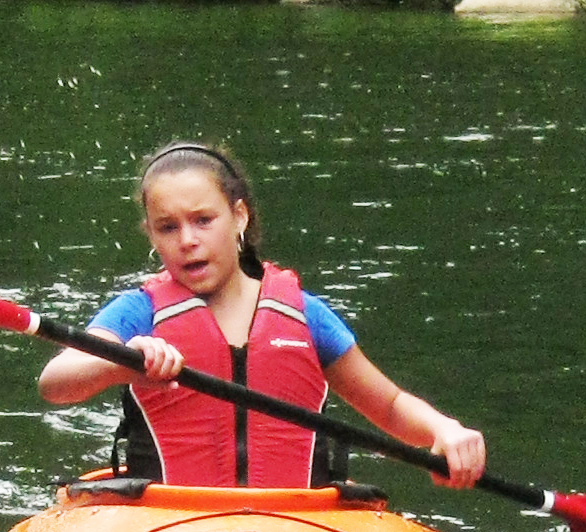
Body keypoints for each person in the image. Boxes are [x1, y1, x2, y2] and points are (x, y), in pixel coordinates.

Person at [38, 140, 486, 490]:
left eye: (203, 220)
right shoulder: (139, 313)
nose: (187, 240)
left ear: (239, 217)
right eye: (168, 227)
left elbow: (387, 406)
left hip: (295, 522)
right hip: (168, 525)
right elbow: (57, 383)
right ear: (151, 235)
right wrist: (121, 359)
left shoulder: (306, 316)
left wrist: (443, 430)